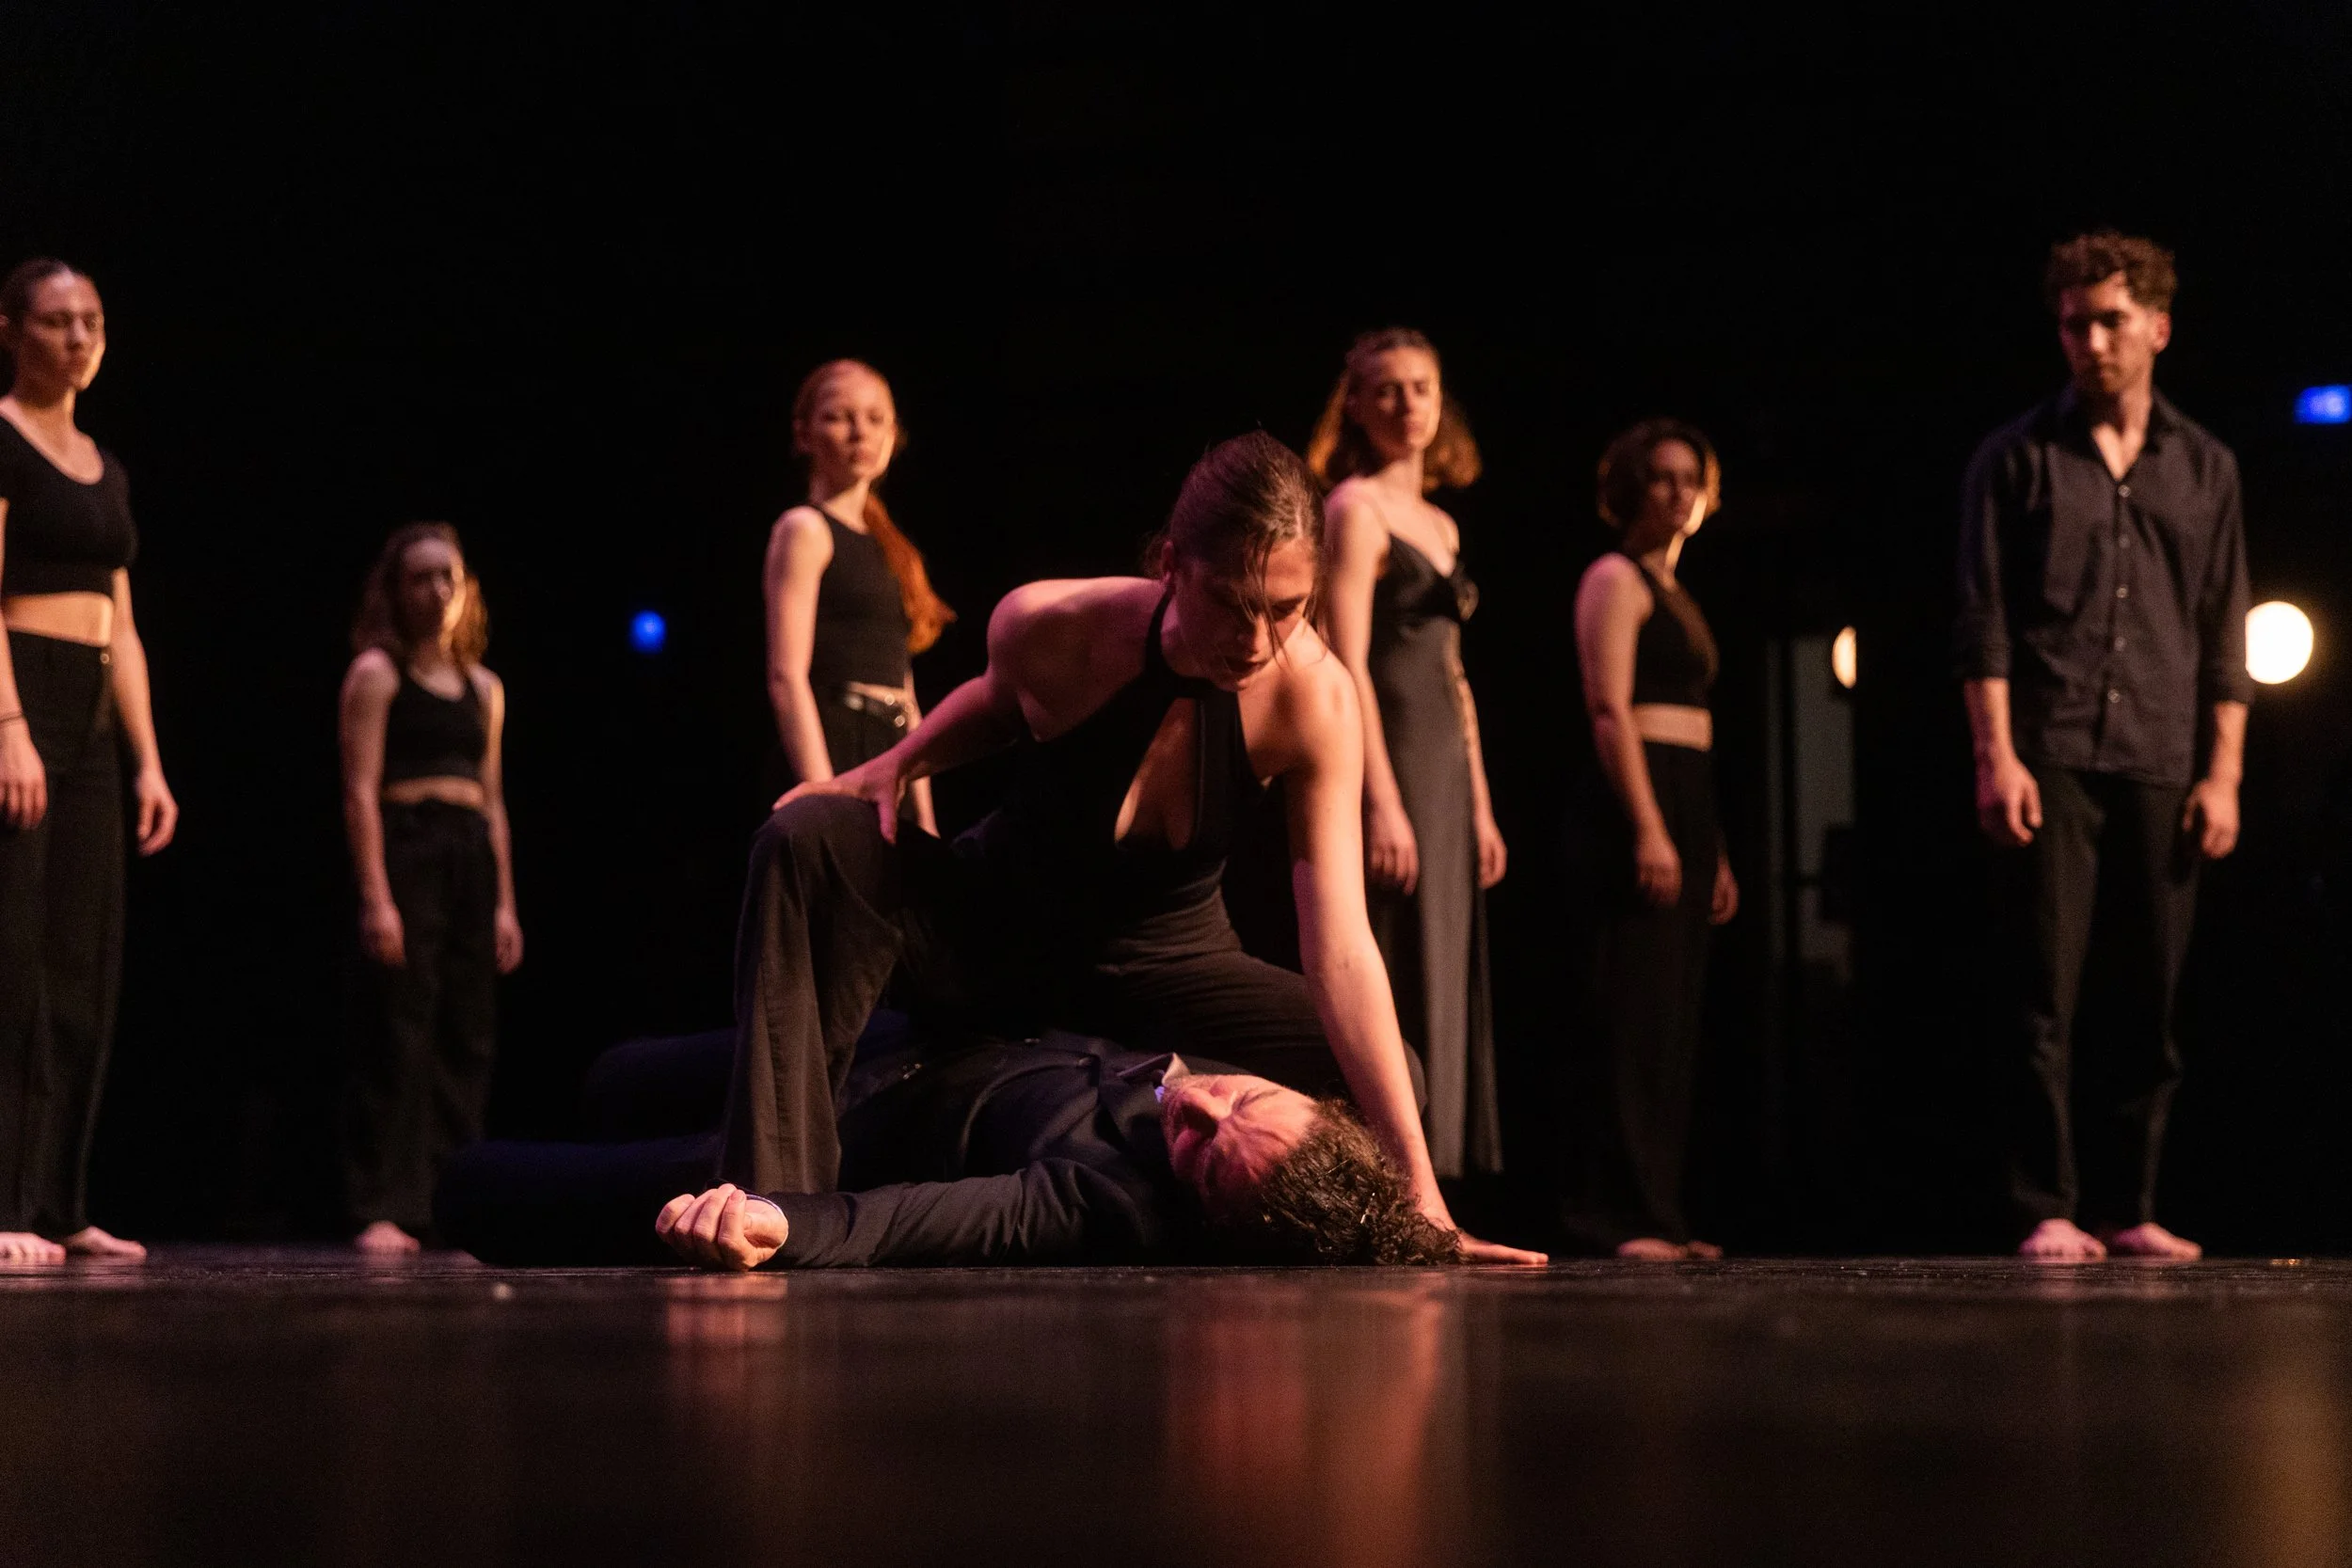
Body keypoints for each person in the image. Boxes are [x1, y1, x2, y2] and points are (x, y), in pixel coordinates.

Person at [736, 432, 1544, 1263]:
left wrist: (1423, 1195)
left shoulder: (1315, 697)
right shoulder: (1055, 624)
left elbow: (1339, 943)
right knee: (807, 835)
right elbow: (999, 702)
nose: (1258, 638)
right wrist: (900, 762)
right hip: (1000, 931)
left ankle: (1166, 1176)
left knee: (1387, 1081)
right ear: (1172, 563)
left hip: (1166, 968)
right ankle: (765, 1205)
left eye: (1288, 606)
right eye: (1233, 601)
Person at [1956, 231, 2249, 1263]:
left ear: (2157, 327)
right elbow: (1984, 619)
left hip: (2162, 753)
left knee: (2151, 991)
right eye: (2074, 322)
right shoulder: (2016, 456)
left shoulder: (2204, 464)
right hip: (2053, 746)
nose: (2089, 340)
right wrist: (1996, 756)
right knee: (2042, 989)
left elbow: (2225, 628)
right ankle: (2045, 1201)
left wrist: (2223, 772)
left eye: (2110, 320)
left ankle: (2129, 1202)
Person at [436, 1011, 1461, 1269]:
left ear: (1207, 1205)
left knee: (481, 1188)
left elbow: (916, 1219)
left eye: (1200, 1144)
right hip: (875, 1047)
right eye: (1235, 1096)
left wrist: (771, 1220)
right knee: (614, 1075)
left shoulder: (1104, 1198)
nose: (1187, 1104)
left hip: (824, 1135)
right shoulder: (1241, 1055)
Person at [0, 258, 178, 1265]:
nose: (78, 338)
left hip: (95, 721)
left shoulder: (104, 465)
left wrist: (148, 761)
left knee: (83, 966)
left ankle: (61, 1199)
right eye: (58, 320)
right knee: (14, 960)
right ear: (12, 330)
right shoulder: (2, 442)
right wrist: (8, 723)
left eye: (93, 322)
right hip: (19, 695)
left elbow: (127, 628)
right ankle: (4, 1202)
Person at [1311, 327, 1505, 1180]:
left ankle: (1443, 1174)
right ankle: (1389, 1176)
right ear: (1355, 403)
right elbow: (1342, 657)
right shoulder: (1353, 509)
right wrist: (1379, 798)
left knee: (1445, 953)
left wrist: (1482, 803)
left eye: (1421, 387)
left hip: (1444, 760)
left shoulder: (1441, 522)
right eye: (1387, 390)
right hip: (1386, 750)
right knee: (1397, 946)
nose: (1408, 404)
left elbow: (1455, 675)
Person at [1560, 420, 1738, 1259]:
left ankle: (1658, 1213)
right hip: (1640, 798)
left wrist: (1716, 849)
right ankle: (1615, 1216)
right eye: (1662, 478)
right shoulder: (1613, 577)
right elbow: (1609, 708)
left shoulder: (1678, 590)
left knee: (1672, 1021)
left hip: (1688, 796)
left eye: (1689, 478)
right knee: (1630, 1011)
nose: (1678, 492)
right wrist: (1649, 825)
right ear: (1632, 488)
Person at [337, 522, 523, 1254]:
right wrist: (377, 895)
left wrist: (507, 900)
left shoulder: (484, 686)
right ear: (396, 590)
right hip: (409, 845)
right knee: (398, 1025)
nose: (437, 589)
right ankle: (383, 1200)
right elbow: (358, 792)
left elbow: (496, 799)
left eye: (447, 575)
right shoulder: (378, 674)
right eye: (420, 577)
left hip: (470, 852)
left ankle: (454, 1195)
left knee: (467, 1027)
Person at [763, 359, 953, 832]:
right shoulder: (805, 529)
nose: (859, 433)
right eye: (838, 416)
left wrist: (925, 814)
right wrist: (823, 797)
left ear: (893, 433)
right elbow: (786, 675)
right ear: (804, 434)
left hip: (892, 752)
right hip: (839, 744)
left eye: (875, 418)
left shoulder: (892, 546)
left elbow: (904, 688)